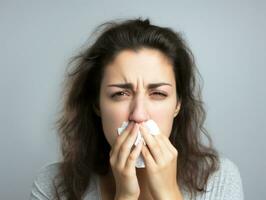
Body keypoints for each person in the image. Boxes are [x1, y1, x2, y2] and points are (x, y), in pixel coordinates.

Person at [30, 18, 244, 200]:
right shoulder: (53, 185)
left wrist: (169, 194)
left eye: (158, 94)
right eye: (120, 94)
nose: (139, 115)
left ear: (178, 104)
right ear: (97, 104)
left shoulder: (219, 179)